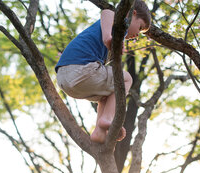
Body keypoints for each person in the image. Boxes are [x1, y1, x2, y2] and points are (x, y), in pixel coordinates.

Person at [55, 0, 151, 143]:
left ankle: (99, 132)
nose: (137, 34)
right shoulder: (119, 23)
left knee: (107, 95)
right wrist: (108, 37)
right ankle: (107, 119)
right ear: (133, 14)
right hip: (80, 70)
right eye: (140, 27)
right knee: (127, 79)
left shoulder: (115, 36)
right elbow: (106, 12)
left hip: (64, 79)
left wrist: (114, 47)